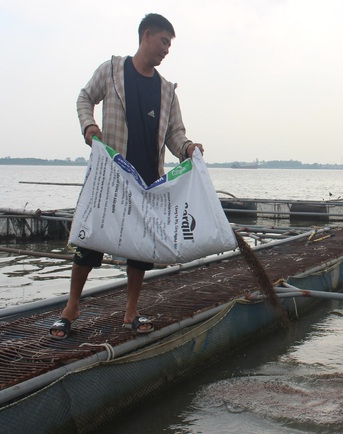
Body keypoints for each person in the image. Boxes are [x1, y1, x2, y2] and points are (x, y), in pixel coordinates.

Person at [49, 13, 203, 339]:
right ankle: (71, 307)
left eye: (170, 45)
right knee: (89, 241)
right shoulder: (112, 70)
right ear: (147, 35)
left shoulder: (166, 90)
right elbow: (84, 98)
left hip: (147, 180)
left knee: (139, 250)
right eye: (164, 42)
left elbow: (176, 135)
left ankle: (130, 311)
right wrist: (89, 127)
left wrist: (188, 148)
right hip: (111, 177)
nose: (166, 50)